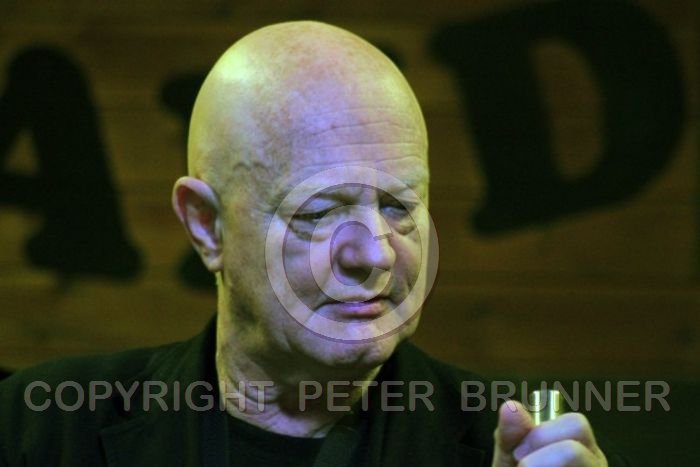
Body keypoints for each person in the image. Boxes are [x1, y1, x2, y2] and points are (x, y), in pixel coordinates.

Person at [0, 21, 626, 466]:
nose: (376, 254)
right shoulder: (41, 429)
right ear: (206, 226)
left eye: (399, 206)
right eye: (320, 213)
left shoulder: (525, 450)